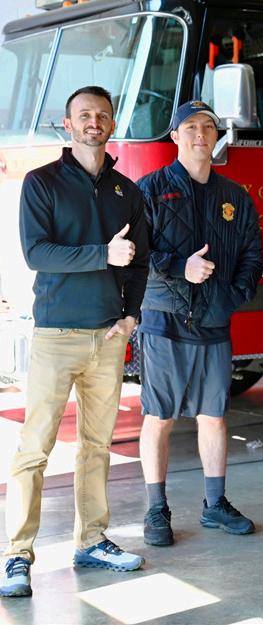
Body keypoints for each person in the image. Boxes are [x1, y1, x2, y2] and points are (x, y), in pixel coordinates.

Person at [1, 86, 149, 598]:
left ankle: (91, 540)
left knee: (96, 447)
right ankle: (17, 555)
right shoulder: (42, 182)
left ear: (111, 124)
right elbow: (36, 253)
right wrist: (101, 254)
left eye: (102, 115)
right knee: (34, 448)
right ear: (68, 124)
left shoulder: (127, 191)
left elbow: (140, 262)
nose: (93, 122)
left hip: (107, 337)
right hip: (56, 334)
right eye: (84, 115)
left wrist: (131, 316)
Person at [137, 101, 263, 546]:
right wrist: (180, 267)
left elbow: (252, 254)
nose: (200, 134)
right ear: (174, 136)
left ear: (216, 136)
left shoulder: (235, 196)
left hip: (213, 320)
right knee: (159, 416)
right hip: (164, 318)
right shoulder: (150, 189)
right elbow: (134, 255)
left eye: (208, 127)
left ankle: (215, 504)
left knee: (214, 415)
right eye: (189, 127)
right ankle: (156, 509)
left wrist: (231, 297)